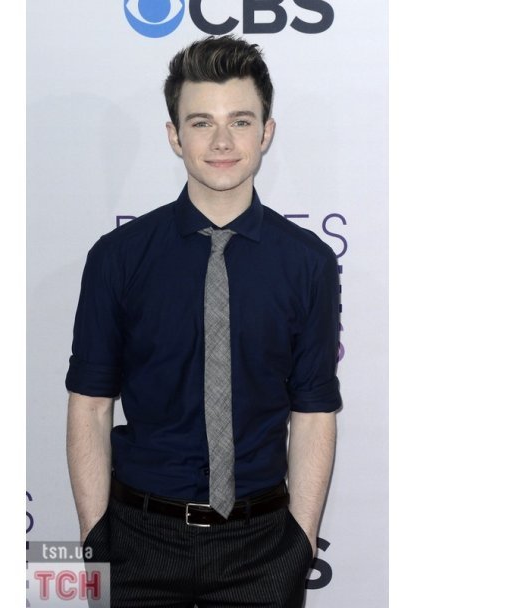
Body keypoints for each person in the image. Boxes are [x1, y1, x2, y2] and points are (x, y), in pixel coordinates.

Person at [65, 35, 342, 608]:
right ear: (174, 135)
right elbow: (90, 405)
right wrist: (95, 540)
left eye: (240, 121)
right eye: (201, 122)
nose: (221, 141)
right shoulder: (118, 258)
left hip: (263, 548)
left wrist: (301, 543)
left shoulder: (308, 263)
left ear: (266, 132)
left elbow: (314, 411)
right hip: (136, 542)